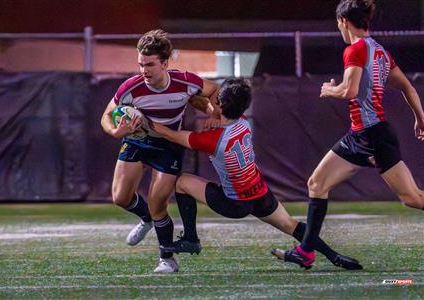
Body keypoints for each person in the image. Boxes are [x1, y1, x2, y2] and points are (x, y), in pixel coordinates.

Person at [150, 78, 363, 271]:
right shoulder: (243, 121)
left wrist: (145, 120)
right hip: (259, 193)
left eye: (218, 98)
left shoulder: (212, 139)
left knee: (182, 182)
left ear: (221, 104)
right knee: (291, 225)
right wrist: (214, 113)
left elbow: (170, 134)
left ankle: (190, 238)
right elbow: (217, 112)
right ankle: (335, 256)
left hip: (235, 202)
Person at [277, 0, 424, 269]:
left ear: (344, 21)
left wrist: (328, 90)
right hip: (362, 134)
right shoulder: (380, 51)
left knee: (412, 198)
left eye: (338, 24)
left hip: (372, 135)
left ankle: (306, 250)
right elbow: (408, 88)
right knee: (316, 184)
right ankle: (306, 251)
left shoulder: (355, 49)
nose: (339, 29)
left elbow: (349, 91)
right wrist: (420, 119)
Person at [100, 29, 219, 273]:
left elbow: (214, 90)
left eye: (150, 65)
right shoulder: (130, 88)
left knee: (158, 203)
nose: (144, 70)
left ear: (165, 63)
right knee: (121, 198)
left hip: (168, 143)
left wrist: (215, 115)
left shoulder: (185, 81)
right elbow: (106, 115)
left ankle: (167, 259)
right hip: (136, 140)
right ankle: (146, 219)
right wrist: (115, 132)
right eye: (140, 64)